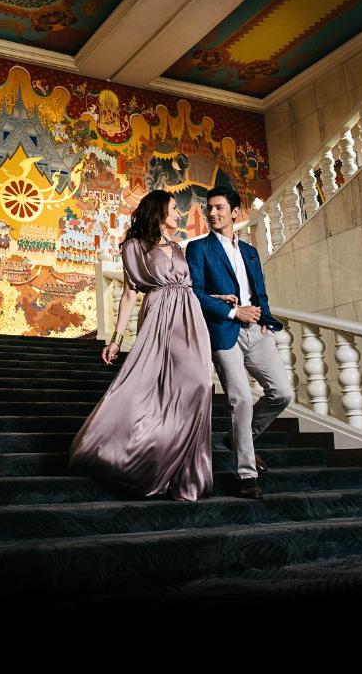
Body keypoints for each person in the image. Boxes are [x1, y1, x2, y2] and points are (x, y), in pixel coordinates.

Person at [68, 190, 213, 501]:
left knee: (200, 385)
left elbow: (190, 286)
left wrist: (215, 300)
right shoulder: (135, 247)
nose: (179, 213)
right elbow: (130, 294)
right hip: (161, 315)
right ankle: (125, 452)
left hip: (190, 317)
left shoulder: (176, 246)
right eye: (174, 208)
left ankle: (181, 472)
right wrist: (117, 339)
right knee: (150, 388)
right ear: (159, 211)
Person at [186, 186, 293, 500]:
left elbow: (260, 292)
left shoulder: (250, 252)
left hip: (256, 332)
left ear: (235, 212)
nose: (213, 213)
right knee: (241, 398)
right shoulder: (198, 249)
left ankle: (238, 437)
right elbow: (194, 292)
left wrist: (265, 322)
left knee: (283, 393)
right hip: (224, 331)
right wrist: (233, 310)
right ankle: (247, 474)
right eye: (210, 208)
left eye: (220, 208)